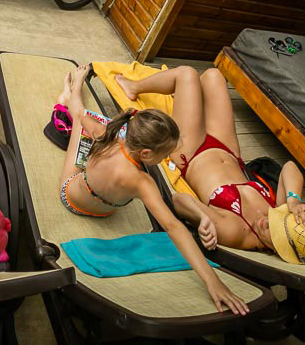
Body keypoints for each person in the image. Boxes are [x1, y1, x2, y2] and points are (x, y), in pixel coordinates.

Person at [54, 65, 249, 315]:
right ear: (146, 154)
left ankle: (73, 92)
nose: (168, 158)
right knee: (87, 128)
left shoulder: (107, 137)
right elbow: (174, 227)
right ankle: (73, 92)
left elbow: (84, 118)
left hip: (71, 195)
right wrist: (213, 281)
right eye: (165, 154)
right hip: (102, 211)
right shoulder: (143, 183)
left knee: (82, 120)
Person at [114, 66, 305, 254]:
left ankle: (134, 87)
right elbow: (290, 167)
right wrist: (294, 201)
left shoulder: (233, 231)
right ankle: (189, 102)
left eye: (276, 235)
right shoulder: (281, 215)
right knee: (214, 76)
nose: (267, 223)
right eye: (278, 225)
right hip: (228, 150)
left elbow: (177, 201)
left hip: (191, 154)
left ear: (278, 250)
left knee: (186, 75)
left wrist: (202, 216)